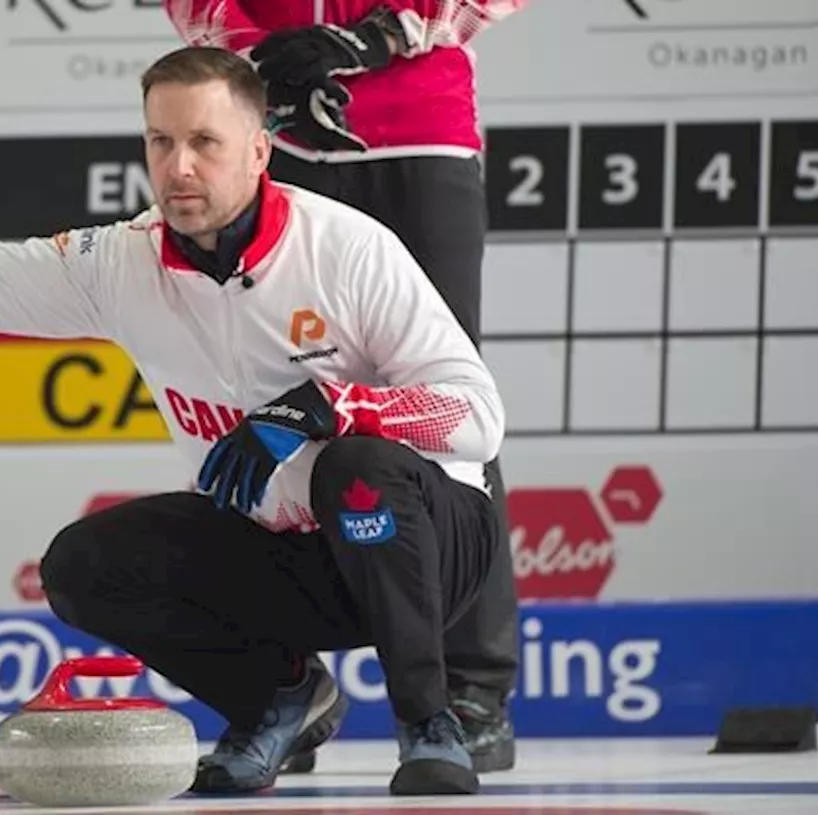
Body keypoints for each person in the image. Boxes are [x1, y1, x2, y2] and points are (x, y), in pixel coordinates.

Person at [0, 46, 506, 797]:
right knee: (85, 563)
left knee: (355, 470)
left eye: (204, 141)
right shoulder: (119, 260)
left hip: (429, 549)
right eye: (161, 141)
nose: (179, 166)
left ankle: (426, 720)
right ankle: (280, 698)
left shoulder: (347, 250)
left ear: (261, 151)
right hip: (292, 557)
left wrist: (330, 405)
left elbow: (477, 419)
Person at [164, 0, 529, 775]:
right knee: (272, 404)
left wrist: (374, 37)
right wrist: (263, 58)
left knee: (442, 404)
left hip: (419, 122)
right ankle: (282, 688)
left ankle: (472, 689)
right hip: (272, 124)